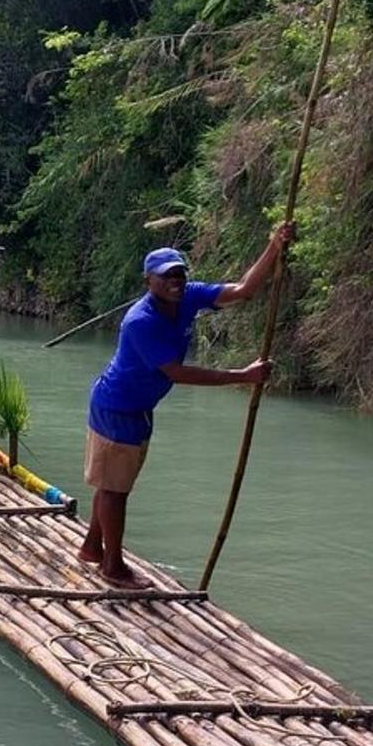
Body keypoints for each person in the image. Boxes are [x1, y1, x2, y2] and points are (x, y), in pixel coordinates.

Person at [78, 223, 295, 589]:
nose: (175, 281)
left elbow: (243, 291)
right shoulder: (140, 322)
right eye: (166, 277)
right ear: (150, 282)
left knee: (113, 483)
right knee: (115, 489)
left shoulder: (188, 298)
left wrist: (273, 246)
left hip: (137, 407)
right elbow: (175, 372)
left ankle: (92, 548)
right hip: (117, 407)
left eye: (179, 274)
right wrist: (242, 376)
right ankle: (112, 568)